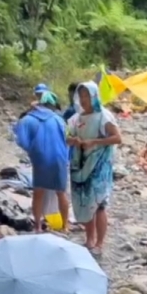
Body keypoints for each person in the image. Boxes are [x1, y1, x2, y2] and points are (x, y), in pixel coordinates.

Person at [66, 81, 122, 257]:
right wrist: (73, 140)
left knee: (98, 205)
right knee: (85, 203)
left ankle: (99, 243)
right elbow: (67, 137)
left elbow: (117, 138)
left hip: (99, 167)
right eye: (80, 96)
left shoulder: (104, 116)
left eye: (86, 96)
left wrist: (95, 142)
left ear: (94, 96)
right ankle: (89, 239)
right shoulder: (77, 117)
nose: (83, 100)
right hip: (81, 165)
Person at [14, 91, 70, 233]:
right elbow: (68, 139)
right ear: (51, 105)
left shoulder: (27, 119)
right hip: (59, 158)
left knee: (38, 192)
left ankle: (37, 226)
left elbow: (21, 140)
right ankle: (65, 226)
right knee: (61, 192)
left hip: (40, 159)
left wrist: (33, 149)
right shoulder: (58, 119)